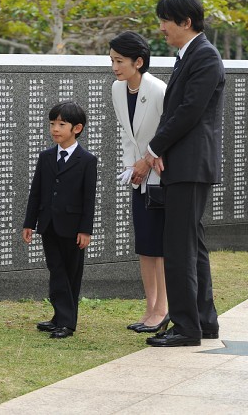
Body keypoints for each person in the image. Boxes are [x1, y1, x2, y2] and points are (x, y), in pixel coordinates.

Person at [144, 0, 225, 347]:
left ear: (185, 22)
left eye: (164, 20)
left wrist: (153, 148)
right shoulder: (189, 55)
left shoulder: (204, 56)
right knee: (193, 247)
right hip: (186, 163)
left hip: (191, 165)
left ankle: (186, 327)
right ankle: (203, 322)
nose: (160, 27)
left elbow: (188, 112)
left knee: (178, 247)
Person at [22, 101, 97, 339]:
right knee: (56, 270)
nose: (55, 128)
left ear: (77, 128)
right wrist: (29, 223)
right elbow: (36, 192)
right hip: (48, 225)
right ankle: (60, 318)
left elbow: (89, 198)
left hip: (74, 228)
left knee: (71, 273)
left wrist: (86, 230)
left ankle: (66, 322)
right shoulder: (45, 157)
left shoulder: (87, 160)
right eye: (52, 123)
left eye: (61, 124)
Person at [110, 31, 169, 333]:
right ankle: (150, 308)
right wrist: (130, 168)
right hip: (137, 177)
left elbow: (168, 133)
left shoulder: (158, 90)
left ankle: (163, 309)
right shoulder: (117, 90)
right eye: (112, 61)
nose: (115, 67)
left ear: (139, 62)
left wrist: (148, 162)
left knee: (159, 246)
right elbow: (126, 134)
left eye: (120, 61)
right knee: (145, 246)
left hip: (161, 177)